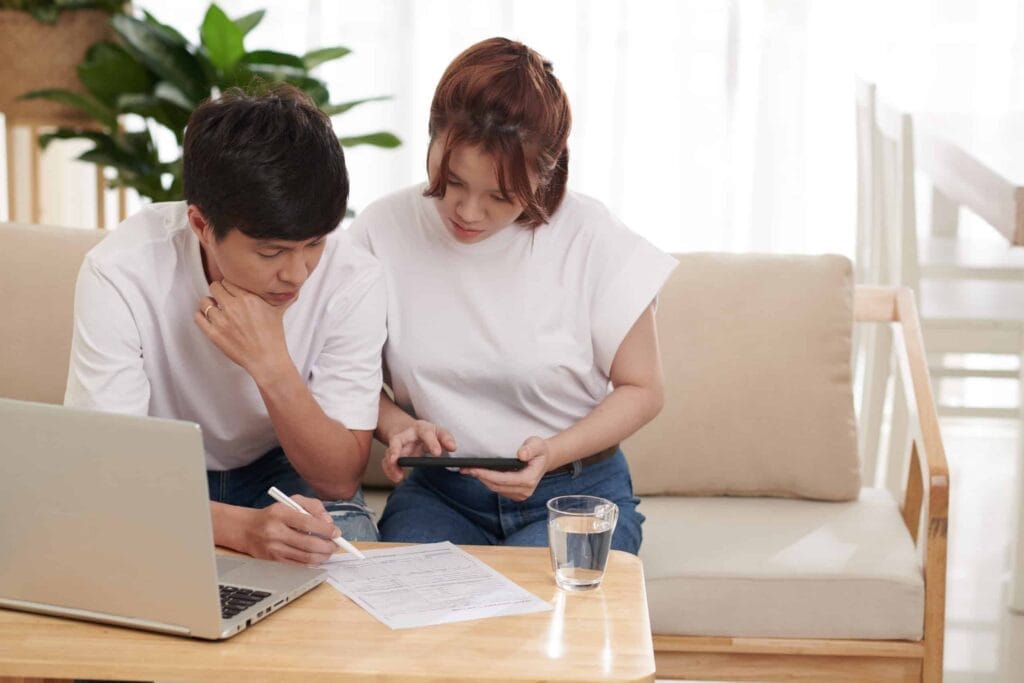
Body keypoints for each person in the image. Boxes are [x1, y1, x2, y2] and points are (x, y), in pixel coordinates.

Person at [348, 37, 677, 553]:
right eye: (452, 181)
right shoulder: (380, 230)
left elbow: (644, 388)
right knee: (408, 613)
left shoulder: (592, 238)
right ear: (431, 137)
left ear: (544, 175)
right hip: (442, 492)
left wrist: (554, 450)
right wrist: (398, 427)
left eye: (500, 196)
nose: (468, 212)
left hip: (574, 489)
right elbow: (344, 370)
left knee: (547, 620)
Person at [65, 85, 386, 565]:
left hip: (281, 469)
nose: (297, 273)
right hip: (158, 468)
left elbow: (337, 479)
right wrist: (243, 530)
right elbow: (110, 474)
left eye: (315, 243)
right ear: (200, 224)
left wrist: (271, 364)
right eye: (271, 251)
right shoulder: (120, 273)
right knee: (91, 554)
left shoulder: (352, 276)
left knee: (351, 549)